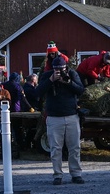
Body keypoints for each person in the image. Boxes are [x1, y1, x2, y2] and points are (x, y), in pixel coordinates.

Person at [36, 55, 86, 185]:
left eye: (62, 69)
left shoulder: (72, 74)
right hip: (54, 117)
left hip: (71, 115)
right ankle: (57, 175)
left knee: (74, 147)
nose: (60, 72)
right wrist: (51, 80)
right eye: (57, 69)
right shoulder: (47, 75)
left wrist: (68, 82)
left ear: (66, 67)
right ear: (53, 68)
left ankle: (76, 174)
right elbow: (38, 92)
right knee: (55, 148)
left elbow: (81, 90)